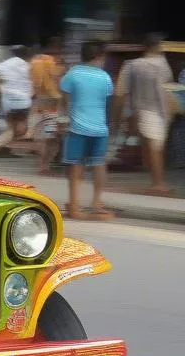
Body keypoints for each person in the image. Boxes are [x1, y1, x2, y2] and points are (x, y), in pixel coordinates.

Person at [60, 40, 115, 220]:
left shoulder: (72, 74)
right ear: (98, 56)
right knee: (99, 164)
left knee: (75, 167)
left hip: (77, 128)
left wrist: (62, 122)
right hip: (100, 128)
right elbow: (106, 102)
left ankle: (74, 204)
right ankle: (96, 203)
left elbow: (65, 102)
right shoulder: (105, 77)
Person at [119, 33, 174, 196]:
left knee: (152, 148)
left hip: (144, 110)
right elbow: (167, 90)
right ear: (157, 46)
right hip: (159, 111)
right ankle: (158, 183)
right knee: (155, 149)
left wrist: (128, 112)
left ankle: (157, 182)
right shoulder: (163, 65)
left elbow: (123, 91)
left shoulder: (133, 65)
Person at [0, 46, 32, 156]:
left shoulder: (3, 65)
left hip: (7, 102)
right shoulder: (28, 66)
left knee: (10, 128)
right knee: (19, 128)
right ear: (26, 54)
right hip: (23, 102)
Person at [30, 36, 65, 173]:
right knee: (52, 139)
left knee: (43, 138)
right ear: (56, 49)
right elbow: (58, 84)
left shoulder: (35, 62)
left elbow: (34, 84)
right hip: (53, 106)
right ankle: (44, 166)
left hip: (39, 104)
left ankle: (42, 165)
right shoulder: (55, 64)